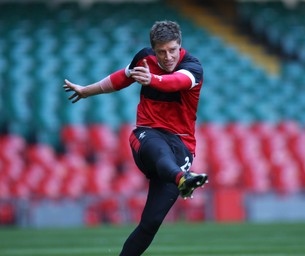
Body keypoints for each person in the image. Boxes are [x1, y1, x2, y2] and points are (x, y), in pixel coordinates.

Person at [63, 20, 208, 255]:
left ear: (180, 46)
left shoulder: (193, 67)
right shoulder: (144, 59)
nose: (168, 56)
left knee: (150, 223)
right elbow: (123, 77)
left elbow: (176, 82)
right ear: (153, 49)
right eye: (161, 52)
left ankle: (181, 177)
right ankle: (182, 179)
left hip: (181, 144)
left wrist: (154, 80)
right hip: (147, 133)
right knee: (158, 150)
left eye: (172, 50)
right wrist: (86, 90)